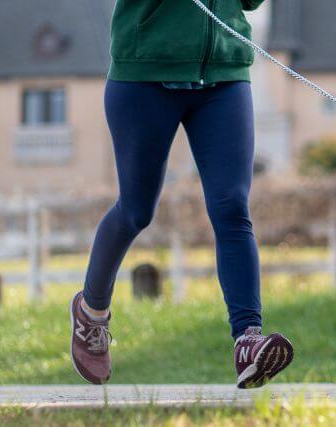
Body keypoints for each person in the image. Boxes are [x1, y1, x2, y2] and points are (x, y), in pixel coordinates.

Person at [69, 0, 293, 388]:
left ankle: (247, 340)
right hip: (144, 72)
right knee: (136, 210)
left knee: (232, 207)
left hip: (223, 74)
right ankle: (91, 313)